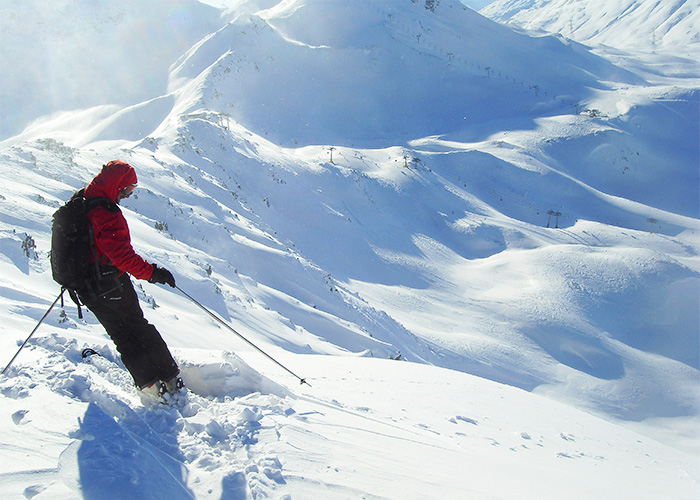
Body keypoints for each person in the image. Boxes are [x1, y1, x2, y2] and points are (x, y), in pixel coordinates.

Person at [77, 160, 183, 400]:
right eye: (127, 190)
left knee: (121, 334)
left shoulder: (83, 202)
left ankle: (149, 386)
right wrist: (153, 273)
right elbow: (122, 256)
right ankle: (170, 379)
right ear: (116, 185)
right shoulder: (105, 212)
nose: (126, 195)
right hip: (110, 282)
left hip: (87, 286)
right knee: (139, 329)